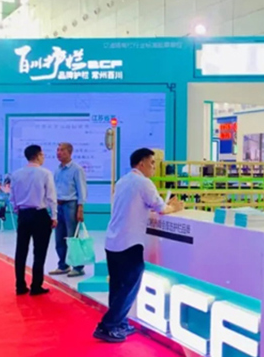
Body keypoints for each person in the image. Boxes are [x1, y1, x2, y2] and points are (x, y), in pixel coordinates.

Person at [94, 148, 184, 343]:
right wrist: (174, 207)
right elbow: (161, 208)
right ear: (141, 163)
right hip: (130, 242)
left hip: (113, 240)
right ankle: (107, 326)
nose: (154, 167)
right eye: (152, 163)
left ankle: (119, 324)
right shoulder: (144, 183)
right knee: (129, 286)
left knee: (117, 286)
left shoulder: (123, 181)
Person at [10, 144, 57, 296]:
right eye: (42, 154)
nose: (43, 157)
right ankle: (36, 286)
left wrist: (18, 211)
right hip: (40, 215)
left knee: (21, 251)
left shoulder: (16, 174)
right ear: (37, 156)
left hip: (24, 215)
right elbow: (51, 197)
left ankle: (20, 285)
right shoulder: (45, 173)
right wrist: (54, 216)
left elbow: (12, 197)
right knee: (39, 252)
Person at [49, 142, 89, 277]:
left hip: (71, 205)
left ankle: (78, 267)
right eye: (58, 150)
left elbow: (82, 189)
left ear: (70, 152)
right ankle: (63, 265)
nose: (58, 153)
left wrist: (80, 208)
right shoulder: (57, 170)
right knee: (59, 237)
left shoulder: (76, 169)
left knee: (72, 238)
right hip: (59, 205)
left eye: (62, 150)